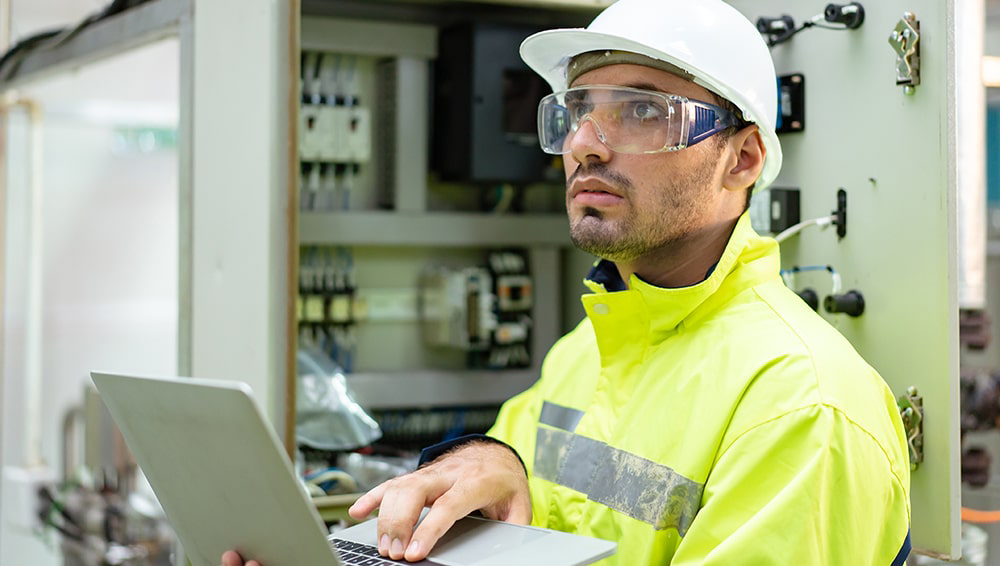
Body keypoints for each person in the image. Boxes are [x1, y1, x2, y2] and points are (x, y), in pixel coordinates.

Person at [224, 0, 911, 564]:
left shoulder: (803, 407)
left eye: (642, 110)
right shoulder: (592, 346)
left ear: (744, 158)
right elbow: (517, 474)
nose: (584, 142)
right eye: (576, 110)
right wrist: (487, 461)